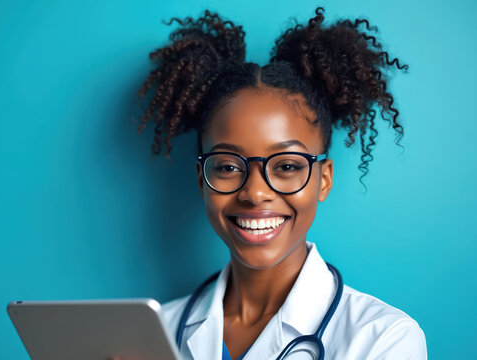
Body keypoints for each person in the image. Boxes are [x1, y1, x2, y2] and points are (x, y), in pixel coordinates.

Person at [134, 6, 427, 360]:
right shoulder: (154, 333)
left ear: (323, 179)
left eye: (287, 165)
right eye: (227, 166)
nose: (255, 193)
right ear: (202, 180)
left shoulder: (385, 339)